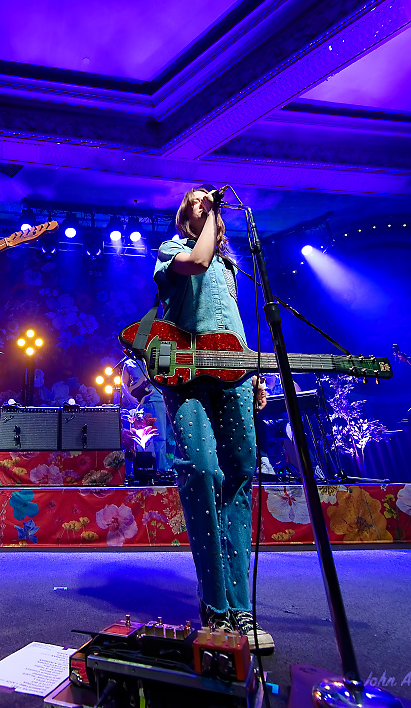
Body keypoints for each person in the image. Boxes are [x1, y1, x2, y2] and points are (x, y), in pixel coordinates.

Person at [153, 186, 273, 651]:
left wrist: (254, 373)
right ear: (187, 215)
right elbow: (197, 263)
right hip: (186, 377)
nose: (202, 201)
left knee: (240, 478)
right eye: (195, 199)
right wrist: (210, 219)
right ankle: (215, 608)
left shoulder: (231, 266)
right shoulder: (173, 250)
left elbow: (234, 321)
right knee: (202, 473)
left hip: (236, 374)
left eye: (208, 199)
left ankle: (241, 609)